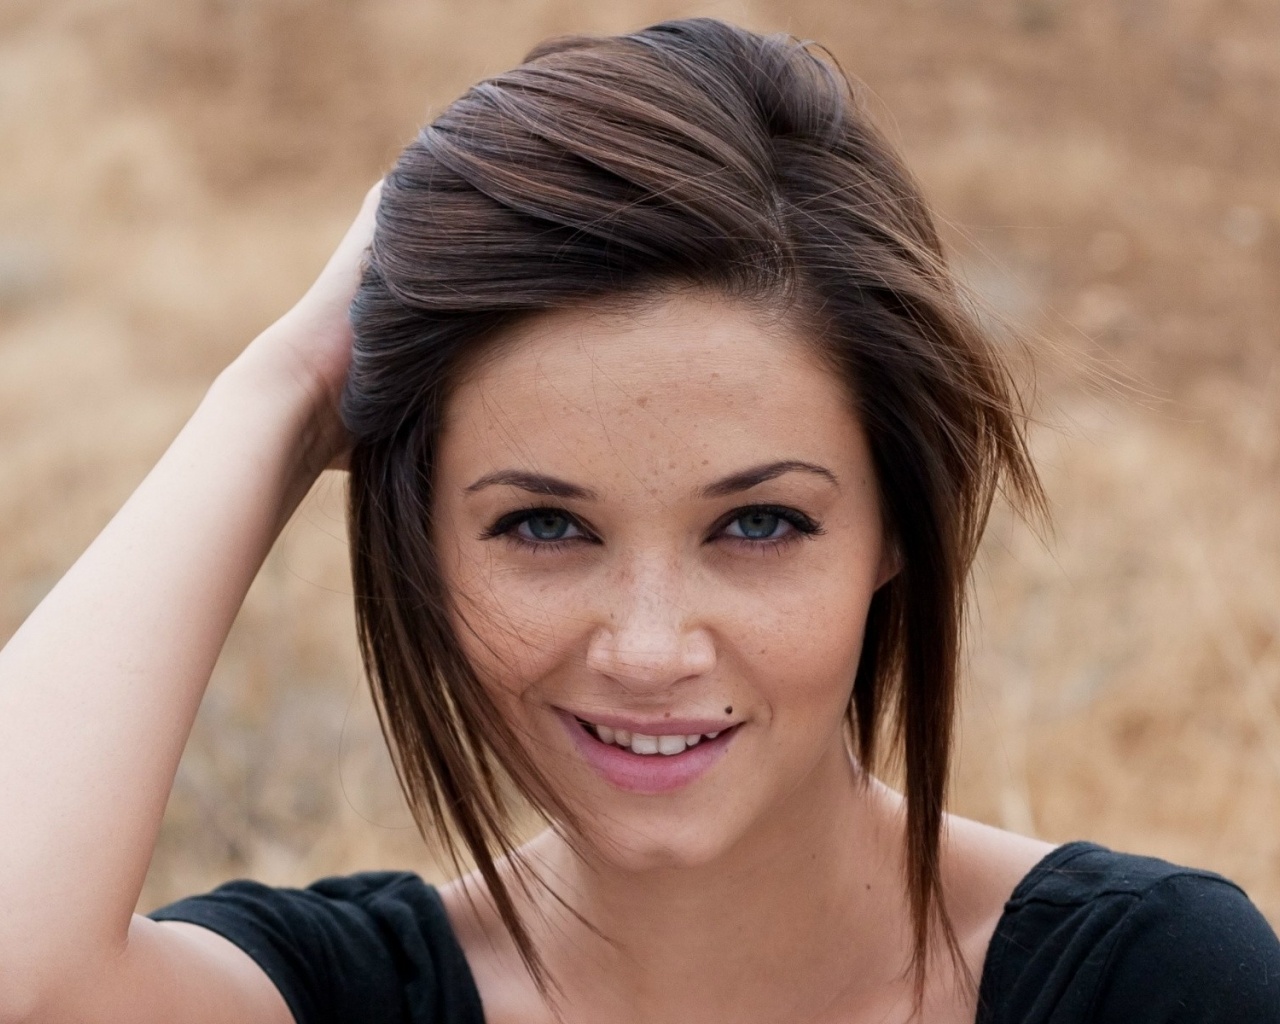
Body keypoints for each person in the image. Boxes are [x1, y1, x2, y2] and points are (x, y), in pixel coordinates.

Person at [0, 18, 1276, 1024]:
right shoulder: (344, 994)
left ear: (894, 525)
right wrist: (284, 389)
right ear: (422, 548)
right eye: (545, 526)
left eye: (760, 524)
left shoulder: (1148, 985)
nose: (650, 649)